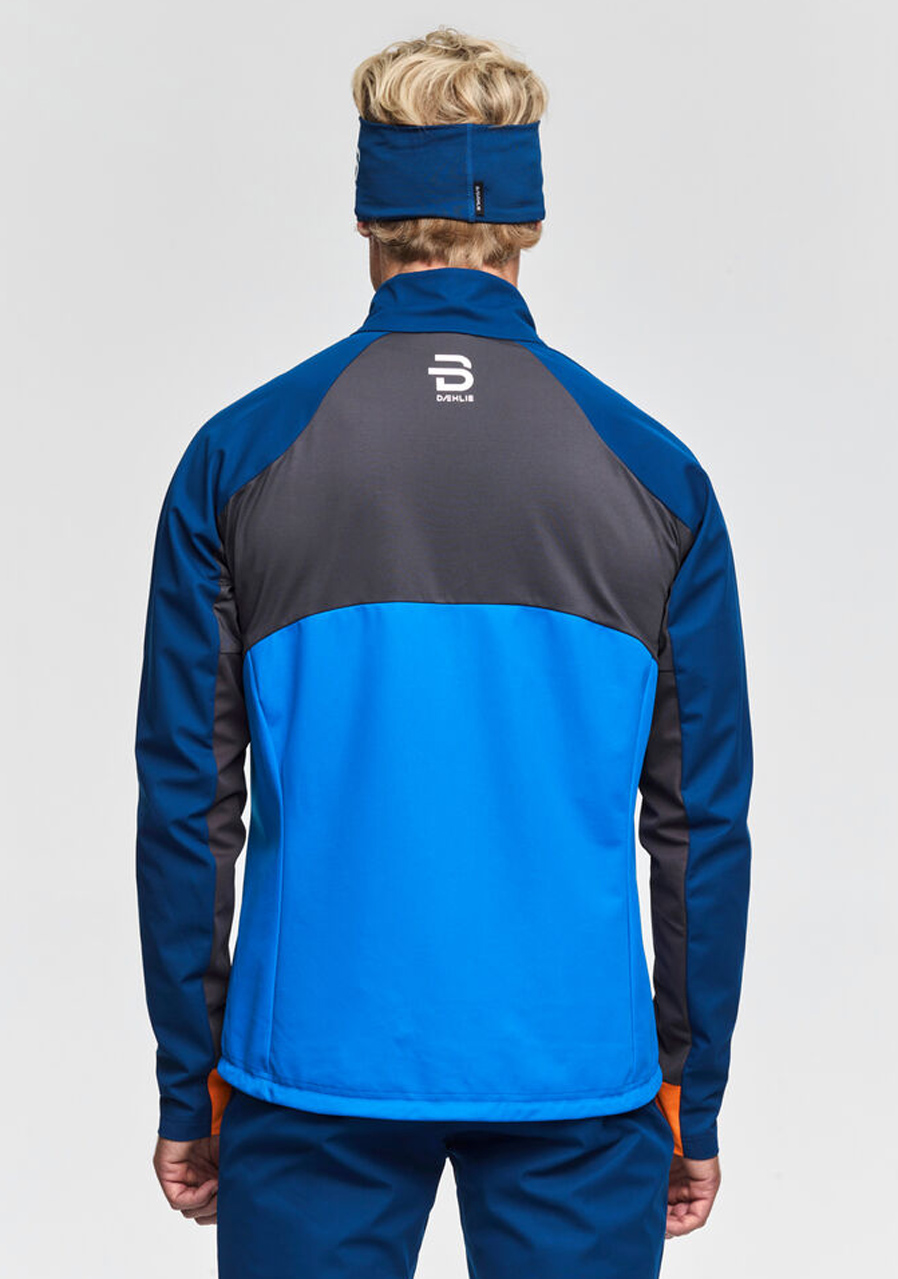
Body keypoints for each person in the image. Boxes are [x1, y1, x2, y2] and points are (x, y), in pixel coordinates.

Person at [135, 26, 753, 1279]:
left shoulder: (238, 458)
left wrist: (188, 1082)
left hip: (309, 1063)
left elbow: (189, 805)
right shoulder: (655, 475)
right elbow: (700, 822)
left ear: (368, 213)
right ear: (529, 221)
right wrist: (690, 1092)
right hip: (576, 1071)